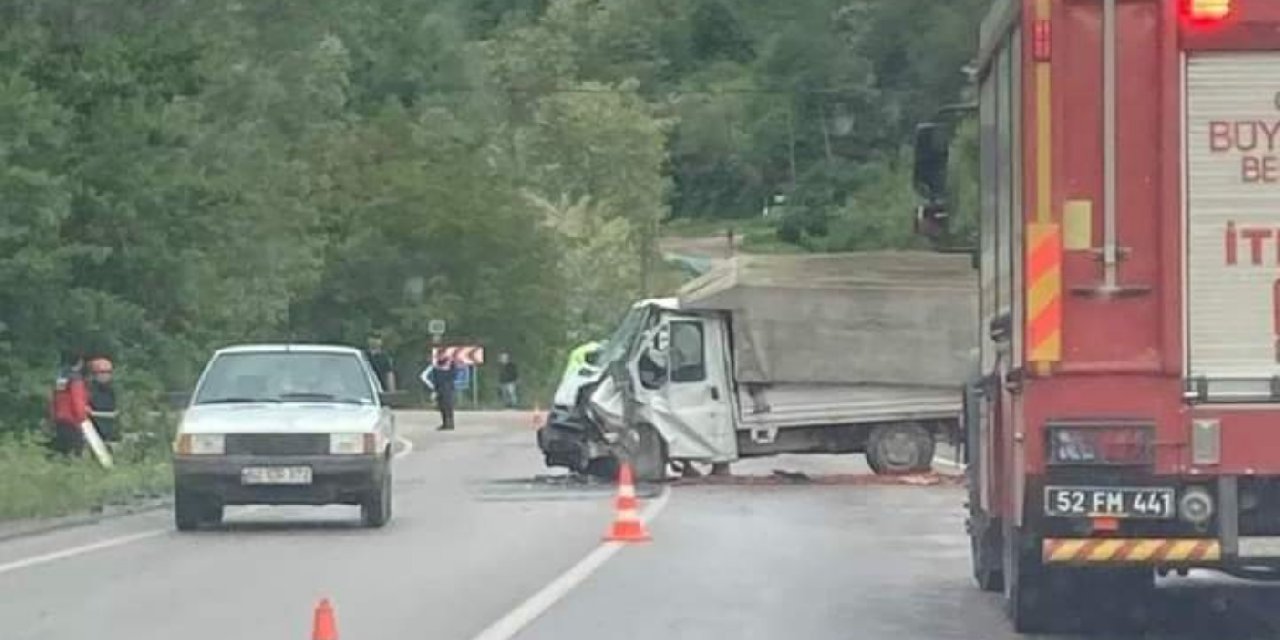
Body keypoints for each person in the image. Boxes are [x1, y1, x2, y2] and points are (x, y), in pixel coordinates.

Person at [49, 350, 89, 457]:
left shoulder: (61, 378)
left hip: (59, 419)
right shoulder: (76, 379)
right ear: (80, 362)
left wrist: (53, 417)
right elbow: (78, 401)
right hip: (72, 420)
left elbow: (54, 399)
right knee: (75, 452)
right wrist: (82, 418)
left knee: (62, 452)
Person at [87, 357, 119, 443]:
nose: (106, 375)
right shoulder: (88, 390)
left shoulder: (110, 391)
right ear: (94, 374)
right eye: (102, 372)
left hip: (108, 431)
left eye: (108, 372)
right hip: (92, 432)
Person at [428, 354, 456, 431]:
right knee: (443, 407)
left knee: (448, 407)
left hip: (446, 389)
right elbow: (436, 381)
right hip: (442, 389)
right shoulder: (437, 370)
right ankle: (446, 423)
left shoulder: (447, 370)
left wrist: (452, 362)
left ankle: (449, 423)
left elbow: (453, 373)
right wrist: (435, 390)